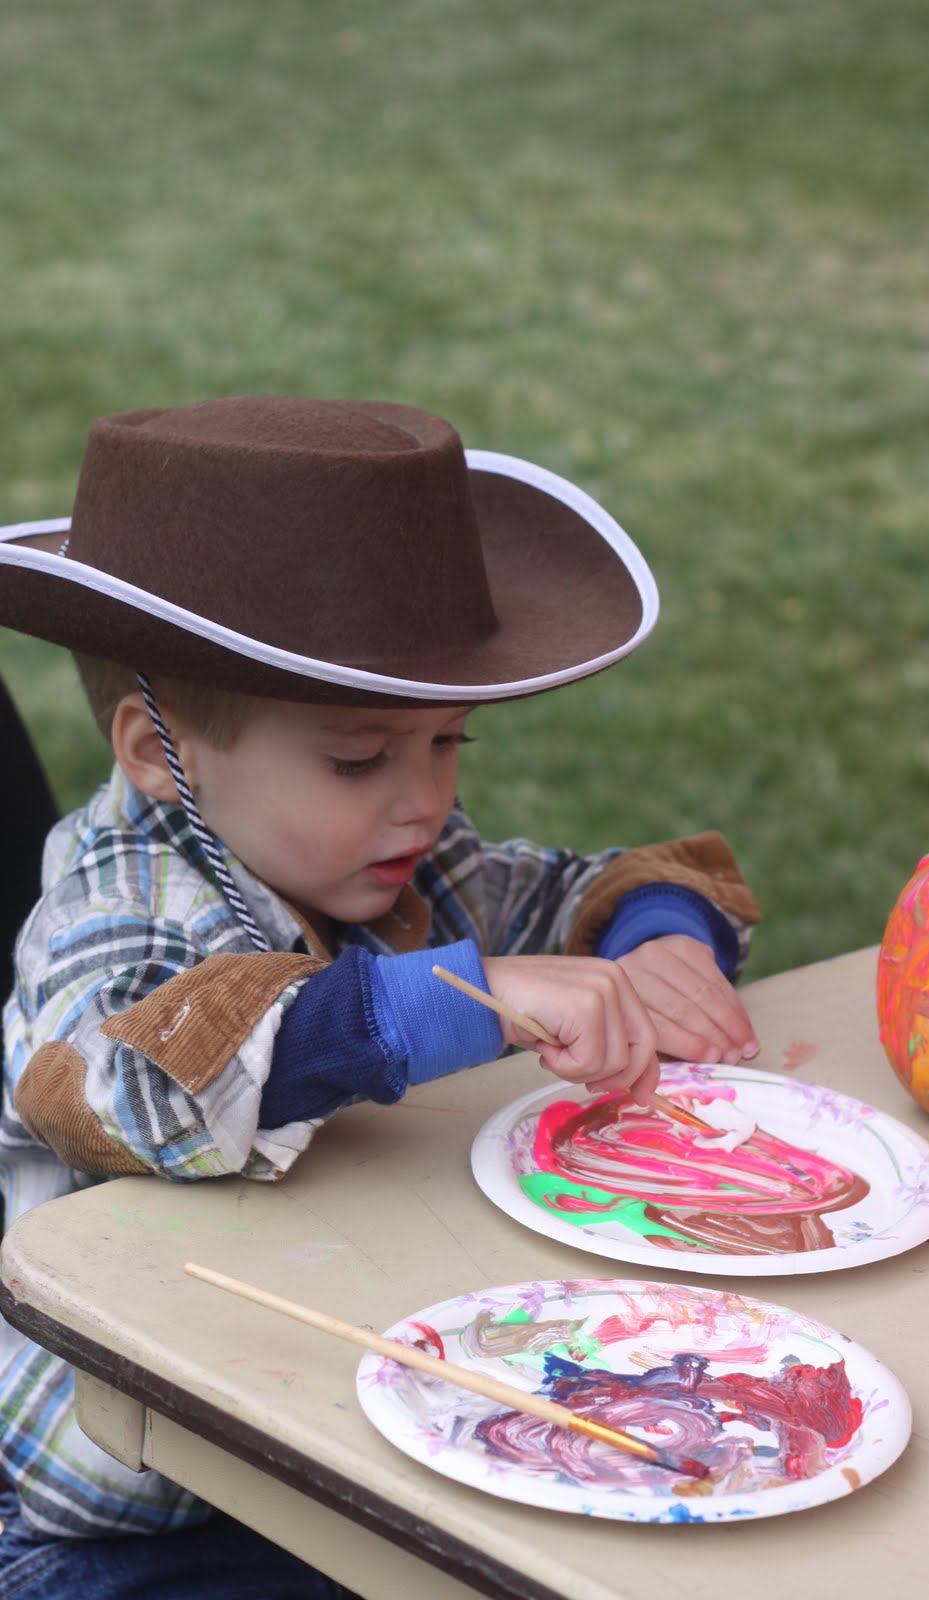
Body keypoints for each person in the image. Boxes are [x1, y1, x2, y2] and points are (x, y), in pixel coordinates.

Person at [0, 396, 760, 1597]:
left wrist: (657, 936)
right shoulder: (117, 902)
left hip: (340, 1432)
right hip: (143, 1520)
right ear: (157, 753)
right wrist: (438, 1003)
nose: (423, 799)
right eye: (360, 756)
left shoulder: (386, 853)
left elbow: (567, 890)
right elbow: (117, 1088)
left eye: (448, 741)